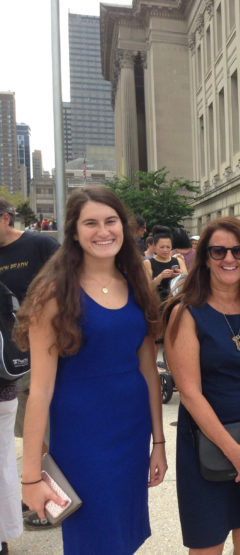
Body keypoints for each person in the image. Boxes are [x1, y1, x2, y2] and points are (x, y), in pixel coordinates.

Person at [15, 185, 167, 554]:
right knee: (94, 538)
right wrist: (31, 476)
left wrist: (159, 443)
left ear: (124, 227)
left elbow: (149, 370)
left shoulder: (137, 283)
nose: (103, 231)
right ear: (74, 232)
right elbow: (40, 391)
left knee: (123, 534)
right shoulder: (53, 293)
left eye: (111, 221)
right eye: (91, 223)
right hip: (83, 437)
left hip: (132, 433)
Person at [164, 217, 240, 553]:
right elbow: (189, 392)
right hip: (206, 443)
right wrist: (235, 452)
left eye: (238, 251)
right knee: (207, 544)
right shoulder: (186, 313)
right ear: (204, 257)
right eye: (218, 251)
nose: (229, 259)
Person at [0, 198, 59, 534]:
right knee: (23, 433)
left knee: (44, 431)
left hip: (41, 353)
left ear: (6, 218)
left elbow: (66, 287)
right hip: (7, 358)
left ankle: (49, 502)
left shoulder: (40, 244)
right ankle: (32, 490)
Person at [143, 229, 187, 303]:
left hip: (176, 302)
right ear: (155, 247)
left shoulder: (178, 260)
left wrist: (181, 275)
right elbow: (147, 289)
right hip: (157, 303)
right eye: (162, 247)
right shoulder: (148, 263)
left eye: (168, 247)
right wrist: (160, 277)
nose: (165, 250)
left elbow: (188, 284)